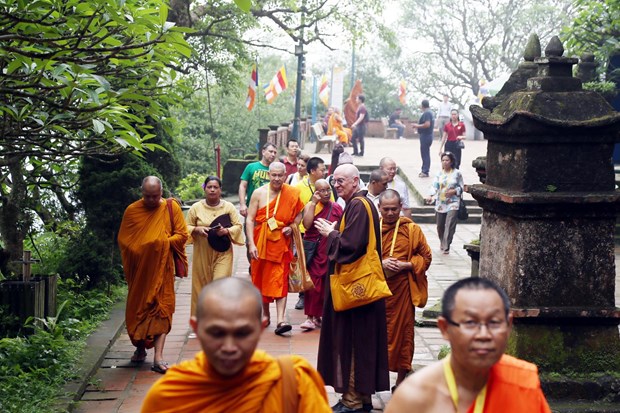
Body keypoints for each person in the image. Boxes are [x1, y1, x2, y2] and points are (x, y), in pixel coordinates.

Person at [141, 278, 332, 413]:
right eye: (217, 333)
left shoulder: (292, 384)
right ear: (196, 328)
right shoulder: (170, 396)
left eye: (242, 333)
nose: (229, 347)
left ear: (260, 328)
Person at [385, 277, 552, 413]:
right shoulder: (413, 398)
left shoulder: (521, 385)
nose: (484, 335)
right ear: (445, 328)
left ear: (508, 325)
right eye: (470, 323)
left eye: (494, 322)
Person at [314, 164, 390, 413]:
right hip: (362, 290)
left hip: (357, 291)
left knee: (353, 342)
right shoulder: (363, 204)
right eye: (334, 181)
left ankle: (353, 401)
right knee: (362, 341)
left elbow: (352, 245)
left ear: (356, 181)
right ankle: (362, 398)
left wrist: (331, 234)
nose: (336, 185)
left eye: (341, 181)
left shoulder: (358, 205)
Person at [118, 176, 189, 374]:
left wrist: (161, 243)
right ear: (141, 192)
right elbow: (125, 242)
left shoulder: (170, 208)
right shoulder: (132, 211)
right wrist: (148, 245)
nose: (151, 200)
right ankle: (140, 349)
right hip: (140, 273)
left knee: (162, 310)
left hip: (162, 270)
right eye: (147, 196)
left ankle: (158, 357)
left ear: (161, 193)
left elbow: (182, 235)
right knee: (138, 311)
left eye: (155, 196)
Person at [378, 190, 432, 390]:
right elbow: (363, 257)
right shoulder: (373, 229)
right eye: (386, 209)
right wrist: (381, 263)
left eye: (394, 209)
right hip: (377, 291)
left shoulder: (411, 229)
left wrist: (406, 266)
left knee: (403, 335)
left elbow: (426, 257)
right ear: (379, 208)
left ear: (401, 207)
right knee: (375, 336)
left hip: (402, 292)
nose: (391, 213)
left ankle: (401, 379)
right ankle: (372, 380)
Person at [246, 162, 305, 335]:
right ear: (268, 175)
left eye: (280, 175)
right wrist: (250, 243)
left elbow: (299, 214)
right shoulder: (258, 193)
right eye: (274, 175)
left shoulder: (292, 193)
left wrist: (292, 226)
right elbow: (250, 219)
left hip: (281, 243)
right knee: (261, 278)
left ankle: (281, 319)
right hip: (261, 242)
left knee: (280, 278)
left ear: (285, 175)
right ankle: (266, 315)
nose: (277, 178)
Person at [186, 176, 244, 319]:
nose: (212, 190)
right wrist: (196, 229)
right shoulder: (196, 208)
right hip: (202, 253)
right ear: (204, 188)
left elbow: (238, 226)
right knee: (201, 287)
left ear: (220, 190)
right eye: (209, 187)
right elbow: (185, 227)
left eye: (215, 187)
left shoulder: (228, 207)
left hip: (223, 253)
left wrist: (227, 231)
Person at [299, 179, 344, 331]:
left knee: (326, 283)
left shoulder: (336, 207)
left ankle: (321, 316)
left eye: (328, 190)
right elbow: (306, 225)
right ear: (316, 192)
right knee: (313, 282)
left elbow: (341, 227)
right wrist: (312, 203)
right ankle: (310, 317)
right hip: (314, 250)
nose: (326, 193)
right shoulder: (311, 206)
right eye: (322, 191)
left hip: (329, 249)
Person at [425, 152, 464, 255]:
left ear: (451, 162)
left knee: (450, 223)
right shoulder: (439, 174)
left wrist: (454, 191)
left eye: (447, 160)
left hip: (453, 202)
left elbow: (462, 187)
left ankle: (446, 245)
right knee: (440, 225)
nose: (445, 162)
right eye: (443, 160)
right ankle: (442, 241)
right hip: (441, 202)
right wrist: (430, 195)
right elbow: (434, 186)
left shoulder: (457, 173)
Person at [238, 142, 278, 218]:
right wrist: (242, 204)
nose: (273, 154)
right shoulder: (251, 167)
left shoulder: (276, 170)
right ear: (263, 152)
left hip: (270, 210)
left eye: (275, 153)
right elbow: (243, 186)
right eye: (270, 151)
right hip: (252, 207)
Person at [413, 99, 435, 178]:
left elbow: (427, 124)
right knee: (425, 153)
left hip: (426, 135)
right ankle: (425, 170)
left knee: (425, 154)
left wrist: (417, 126)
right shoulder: (430, 112)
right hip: (427, 135)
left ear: (422, 106)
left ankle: (425, 171)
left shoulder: (427, 113)